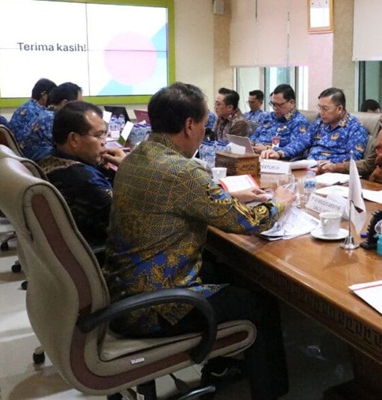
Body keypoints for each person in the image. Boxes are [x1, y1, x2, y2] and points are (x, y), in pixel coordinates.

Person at [103, 82, 294, 400]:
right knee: (260, 304)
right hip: (156, 305)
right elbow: (246, 222)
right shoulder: (182, 171)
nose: (204, 132)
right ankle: (271, 393)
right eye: (204, 125)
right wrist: (282, 201)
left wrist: (233, 193)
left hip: (123, 288)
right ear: (190, 125)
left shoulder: (135, 157)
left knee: (232, 273)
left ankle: (223, 365)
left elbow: (178, 197)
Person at [38, 101, 125, 248]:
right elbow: (134, 218)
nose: (104, 142)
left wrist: (103, 168)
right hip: (109, 257)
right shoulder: (86, 181)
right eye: (99, 136)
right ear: (73, 139)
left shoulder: (45, 156)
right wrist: (128, 168)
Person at [260, 87, 368, 162]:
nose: (321, 112)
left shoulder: (355, 128)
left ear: (339, 108)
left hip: (334, 172)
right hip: (310, 168)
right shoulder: (319, 124)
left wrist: (328, 163)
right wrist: (279, 153)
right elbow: (301, 142)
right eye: (319, 107)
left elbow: (354, 158)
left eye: (325, 108)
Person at [21, 82, 82, 161]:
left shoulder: (44, 114)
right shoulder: (53, 119)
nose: (81, 109)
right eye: (79, 104)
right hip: (42, 165)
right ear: (65, 103)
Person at [248, 84, 309, 153]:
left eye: (279, 105)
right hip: (255, 153)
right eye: (273, 104)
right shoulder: (269, 117)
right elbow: (255, 134)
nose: (275, 108)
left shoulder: (299, 122)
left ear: (292, 103)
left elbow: (295, 146)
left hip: (274, 158)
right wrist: (251, 143)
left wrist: (268, 149)